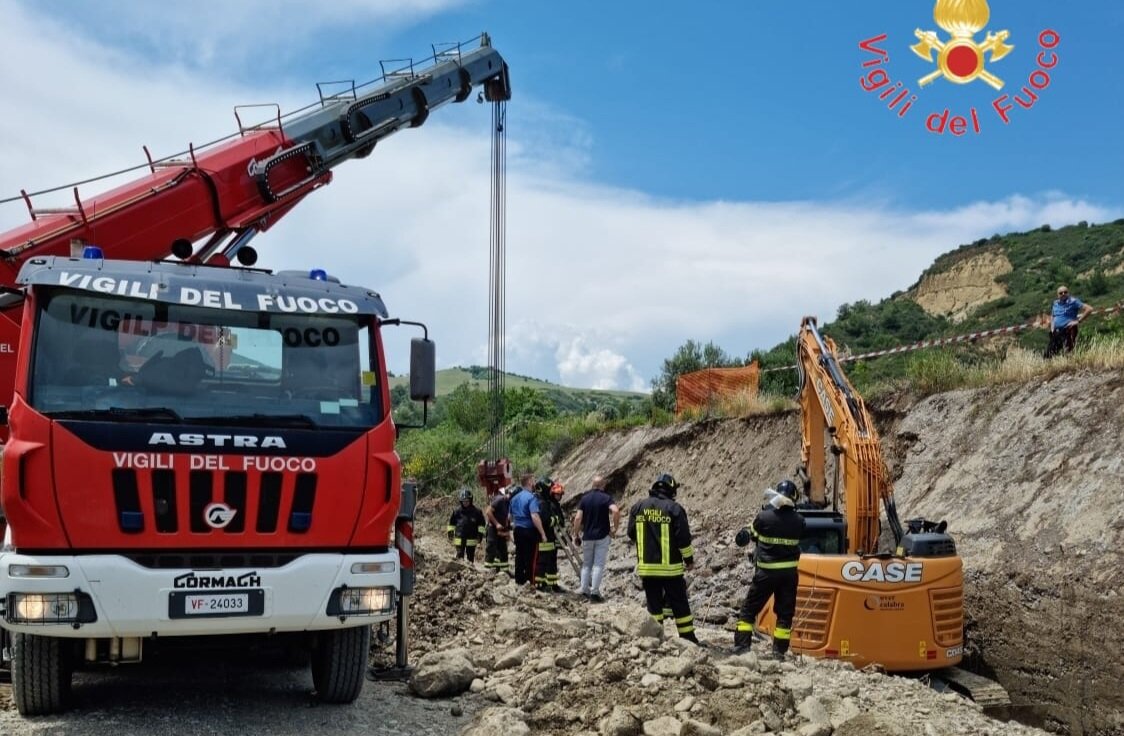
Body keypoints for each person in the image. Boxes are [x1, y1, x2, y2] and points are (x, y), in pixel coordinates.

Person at [732, 479, 807, 657]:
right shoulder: (800, 521)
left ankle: (742, 647)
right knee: (784, 614)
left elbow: (751, 535)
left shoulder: (764, 517)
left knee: (749, 610)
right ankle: (779, 652)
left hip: (766, 574)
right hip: (789, 576)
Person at [627, 472, 698, 643]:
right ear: (671, 490)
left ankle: (655, 638)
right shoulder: (674, 509)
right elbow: (683, 539)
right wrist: (689, 560)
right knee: (679, 604)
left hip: (647, 568)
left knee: (654, 605)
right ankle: (688, 639)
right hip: (670, 570)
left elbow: (631, 533)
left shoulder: (638, 507)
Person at [573, 475, 620, 602]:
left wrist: (576, 534)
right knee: (598, 564)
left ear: (593, 485)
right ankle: (594, 591)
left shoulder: (585, 499)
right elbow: (615, 511)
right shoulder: (606, 498)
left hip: (587, 536)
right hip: (602, 536)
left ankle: (583, 588)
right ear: (603, 485)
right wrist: (614, 529)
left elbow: (578, 518)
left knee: (587, 564)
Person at [508, 472, 547, 586]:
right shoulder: (531, 497)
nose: (535, 483)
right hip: (529, 531)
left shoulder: (514, 498)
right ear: (529, 482)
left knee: (519, 555)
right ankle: (531, 582)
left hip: (517, 530)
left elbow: (509, 517)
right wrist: (543, 533)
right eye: (533, 481)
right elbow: (534, 516)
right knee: (531, 558)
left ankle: (519, 580)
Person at [533, 479, 567, 592]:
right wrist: (556, 520)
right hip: (545, 538)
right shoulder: (543, 503)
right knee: (543, 562)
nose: (559, 496)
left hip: (550, 538)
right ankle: (540, 585)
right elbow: (546, 521)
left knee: (551, 562)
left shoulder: (545, 502)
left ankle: (552, 584)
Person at [1045, 285, 1093, 357]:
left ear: (1068, 293)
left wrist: (1078, 321)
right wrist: (1052, 328)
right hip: (1056, 331)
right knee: (1049, 354)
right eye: (1061, 293)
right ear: (1057, 295)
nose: (1063, 294)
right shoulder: (1055, 303)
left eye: (1065, 292)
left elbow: (1089, 309)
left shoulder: (1073, 301)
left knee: (1068, 352)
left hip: (1068, 330)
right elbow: (1053, 315)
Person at [446, 488, 485, 565]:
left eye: (467, 501)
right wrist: (450, 533)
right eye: (463, 501)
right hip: (459, 538)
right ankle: (459, 572)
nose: (465, 503)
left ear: (470, 500)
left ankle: (470, 572)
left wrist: (480, 535)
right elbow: (451, 523)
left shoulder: (477, 512)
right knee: (459, 557)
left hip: (471, 539)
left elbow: (481, 525)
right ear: (461, 501)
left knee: (470, 558)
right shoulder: (457, 511)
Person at [483, 486, 512, 574]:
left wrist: (507, 529)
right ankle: (487, 570)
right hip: (493, 527)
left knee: (502, 549)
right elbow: (488, 511)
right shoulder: (499, 500)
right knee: (491, 547)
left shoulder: (508, 503)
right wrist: (497, 524)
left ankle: (504, 571)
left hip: (501, 528)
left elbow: (506, 517)